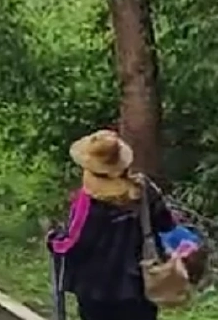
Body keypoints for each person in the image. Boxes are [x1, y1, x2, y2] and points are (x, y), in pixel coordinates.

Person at [48, 129, 176, 320]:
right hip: (139, 286)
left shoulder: (87, 202)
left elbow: (73, 243)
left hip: (97, 290)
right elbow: (167, 225)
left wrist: (53, 240)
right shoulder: (143, 190)